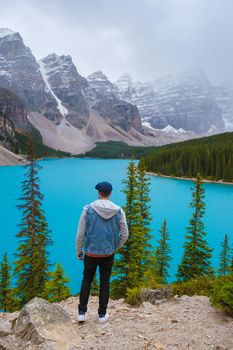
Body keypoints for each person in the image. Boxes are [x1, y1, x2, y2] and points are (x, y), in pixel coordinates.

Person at [76, 181, 129, 324]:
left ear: (99, 193)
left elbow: (80, 233)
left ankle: (81, 313)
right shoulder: (118, 211)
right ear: (110, 193)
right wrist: (114, 247)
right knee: (105, 282)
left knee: (86, 280)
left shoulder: (88, 209)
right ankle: (101, 315)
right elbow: (125, 234)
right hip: (108, 255)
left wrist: (79, 250)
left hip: (91, 254)